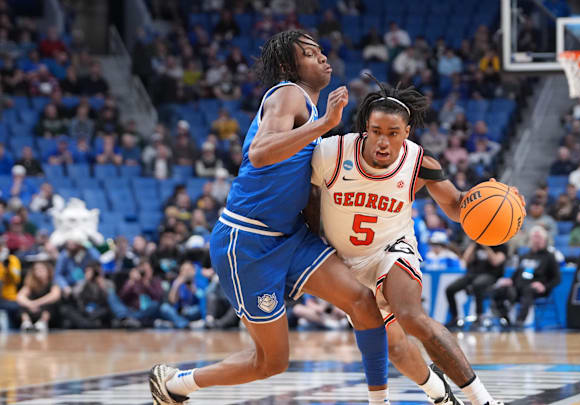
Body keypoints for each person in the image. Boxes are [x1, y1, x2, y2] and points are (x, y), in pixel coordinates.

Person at [149, 31, 390, 405]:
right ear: (287, 67)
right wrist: (325, 124)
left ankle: (380, 401)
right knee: (271, 362)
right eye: (309, 54)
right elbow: (260, 154)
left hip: (291, 236)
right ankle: (177, 384)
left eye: (321, 51)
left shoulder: (311, 115)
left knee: (362, 302)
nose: (323, 58)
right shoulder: (287, 93)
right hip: (247, 242)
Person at [310, 78, 509, 405]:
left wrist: (484, 206)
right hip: (346, 264)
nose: (383, 141)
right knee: (397, 349)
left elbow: (457, 206)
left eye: (392, 133)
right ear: (365, 129)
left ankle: (482, 400)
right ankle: (439, 394)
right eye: (376, 131)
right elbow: (301, 194)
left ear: (407, 133)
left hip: (392, 248)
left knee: (412, 316)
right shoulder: (332, 152)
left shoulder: (420, 163)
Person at [490, 226, 560, 328]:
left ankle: (520, 321)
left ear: (544, 240)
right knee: (500, 290)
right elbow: (517, 273)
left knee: (528, 290)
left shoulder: (549, 257)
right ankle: (505, 319)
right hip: (518, 287)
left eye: (539, 237)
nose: (536, 240)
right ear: (530, 239)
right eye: (534, 237)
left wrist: (545, 286)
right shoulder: (525, 255)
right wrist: (509, 280)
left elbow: (557, 278)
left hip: (535, 288)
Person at [445, 241, 507, 330]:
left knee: (478, 285)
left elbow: (495, 261)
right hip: (473, 275)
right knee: (450, 289)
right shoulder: (476, 245)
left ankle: (479, 316)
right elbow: (465, 261)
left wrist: (485, 247)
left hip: (491, 276)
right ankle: (454, 318)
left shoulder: (501, 245)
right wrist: (473, 245)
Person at [16, 261, 61, 332]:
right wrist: (30, 304)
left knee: (51, 303)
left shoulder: (53, 282)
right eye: (36, 269)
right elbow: (20, 297)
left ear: (48, 270)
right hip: (33, 311)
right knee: (22, 304)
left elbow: (55, 296)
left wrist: (37, 303)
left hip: (47, 313)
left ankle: (43, 322)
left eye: (41, 269)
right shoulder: (30, 284)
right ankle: (26, 323)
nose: (39, 271)